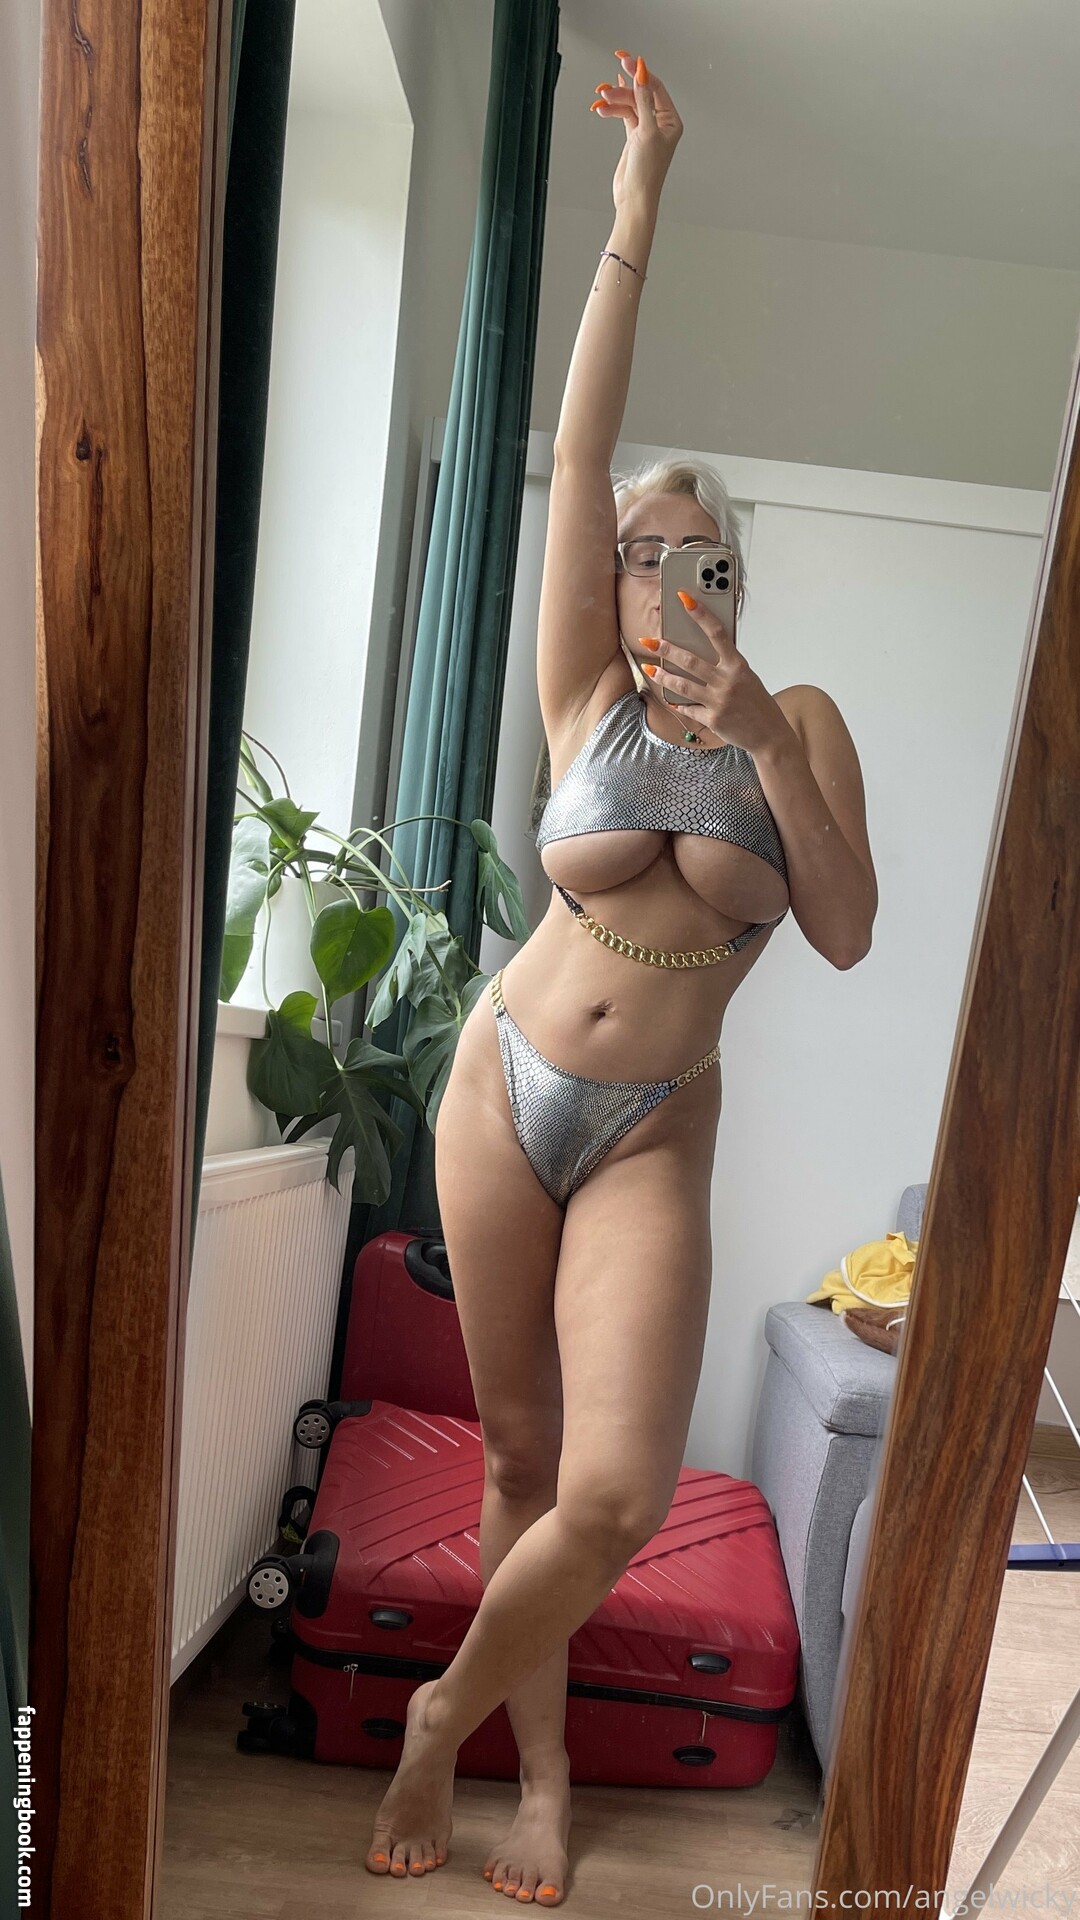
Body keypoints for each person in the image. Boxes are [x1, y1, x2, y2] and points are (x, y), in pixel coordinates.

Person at [365, 50, 877, 1903]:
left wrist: (763, 740)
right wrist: (635, 209)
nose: (659, 568)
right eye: (638, 549)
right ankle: (543, 1775)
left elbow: (843, 926)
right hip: (503, 1079)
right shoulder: (581, 694)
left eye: (694, 552)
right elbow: (575, 454)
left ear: (735, 576)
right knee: (517, 1456)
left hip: (654, 1118)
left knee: (612, 1493)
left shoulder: (799, 714)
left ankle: (439, 1713)